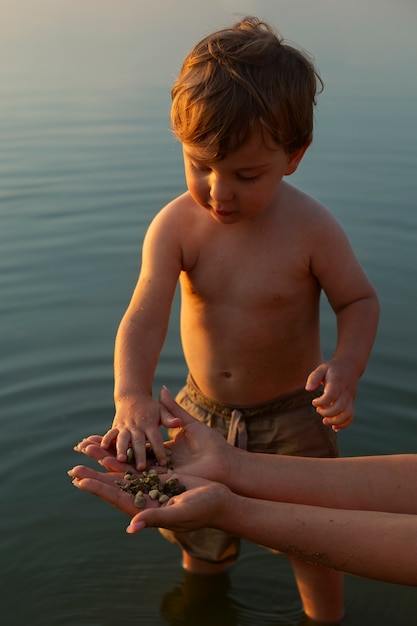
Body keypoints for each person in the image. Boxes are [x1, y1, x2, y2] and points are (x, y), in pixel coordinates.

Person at [100, 17, 379, 623]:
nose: (218, 191)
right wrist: (132, 395)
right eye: (200, 165)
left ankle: (323, 618)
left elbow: (358, 301)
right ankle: (205, 607)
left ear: (293, 157)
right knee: (200, 537)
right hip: (202, 412)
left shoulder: (310, 229)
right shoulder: (176, 226)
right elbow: (144, 315)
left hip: (294, 419)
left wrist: (347, 366)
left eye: (246, 175)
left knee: (316, 539)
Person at [69, 387, 417, 588]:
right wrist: (234, 467)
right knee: (202, 554)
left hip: (292, 414)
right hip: (209, 414)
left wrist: (230, 509)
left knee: (313, 571)